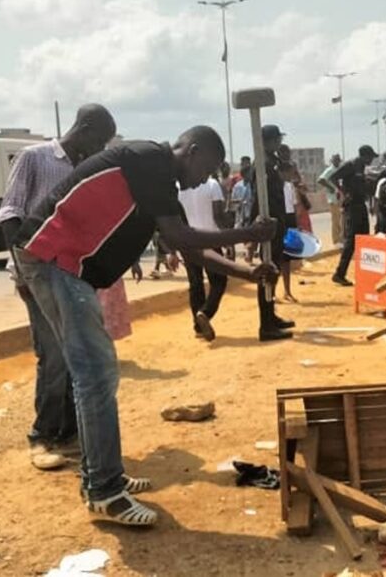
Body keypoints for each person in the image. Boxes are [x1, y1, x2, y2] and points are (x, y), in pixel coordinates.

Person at [14, 121, 277, 526]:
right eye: (208, 167)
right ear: (191, 150)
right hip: (54, 260)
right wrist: (250, 232)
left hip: (62, 266)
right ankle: (104, 490)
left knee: (95, 375)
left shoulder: (154, 181)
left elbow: (189, 250)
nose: (207, 178)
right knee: (95, 376)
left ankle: (104, 477)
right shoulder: (150, 160)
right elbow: (183, 235)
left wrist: (247, 273)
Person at [0, 103, 134, 472]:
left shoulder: (85, 169)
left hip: (74, 276)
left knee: (80, 356)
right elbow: (10, 215)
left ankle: (73, 435)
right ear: (84, 128)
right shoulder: (35, 158)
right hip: (38, 274)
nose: (100, 150)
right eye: (100, 141)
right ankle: (42, 436)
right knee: (54, 357)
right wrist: (25, 274)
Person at [248, 125, 298, 339]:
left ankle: (271, 317)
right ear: (267, 141)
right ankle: (266, 325)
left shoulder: (272, 162)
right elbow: (259, 197)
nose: (279, 143)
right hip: (269, 226)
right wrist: (253, 229)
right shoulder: (263, 165)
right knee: (267, 273)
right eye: (276, 139)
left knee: (273, 272)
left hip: (277, 224)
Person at [178, 173, 229, 341]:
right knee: (219, 280)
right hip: (210, 239)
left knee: (195, 283)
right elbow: (218, 215)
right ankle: (205, 313)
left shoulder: (178, 188)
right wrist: (228, 239)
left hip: (189, 241)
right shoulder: (212, 184)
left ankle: (198, 326)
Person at [331, 144, 379, 286]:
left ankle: (364, 274)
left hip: (360, 205)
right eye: (370, 157)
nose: (372, 160)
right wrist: (343, 192)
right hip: (352, 207)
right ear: (364, 155)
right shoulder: (350, 165)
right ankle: (339, 274)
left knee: (364, 239)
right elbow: (332, 178)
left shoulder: (362, 167)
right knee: (351, 241)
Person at [317, 154, 343, 247]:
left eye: (338, 160)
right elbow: (320, 180)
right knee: (335, 220)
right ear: (332, 161)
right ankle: (336, 240)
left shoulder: (339, 169)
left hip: (340, 197)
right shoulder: (330, 170)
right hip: (333, 198)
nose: (337, 161)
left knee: (341, 220)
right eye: (335, 160)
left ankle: (341, 238)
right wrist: (330, 188)